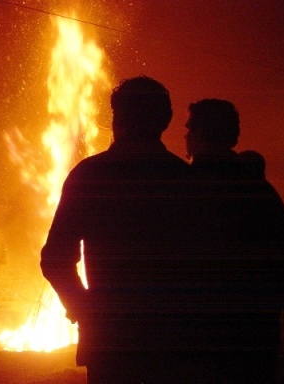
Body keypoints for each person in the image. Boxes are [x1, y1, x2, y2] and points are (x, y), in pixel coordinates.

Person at [41, 76, 197, 383]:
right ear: (164, 121)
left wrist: (85, 310)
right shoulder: (187, 181)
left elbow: (55, 259)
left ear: (118, 119)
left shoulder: (90, 175)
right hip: (174, 341)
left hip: (110, 342)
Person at [183, 98, 284, 383]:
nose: (185, 135)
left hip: (200, 341)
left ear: (202, 132)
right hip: (257, 335)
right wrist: (281, 301)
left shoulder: (184, 189)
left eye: (189, 128)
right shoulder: (262, 191)